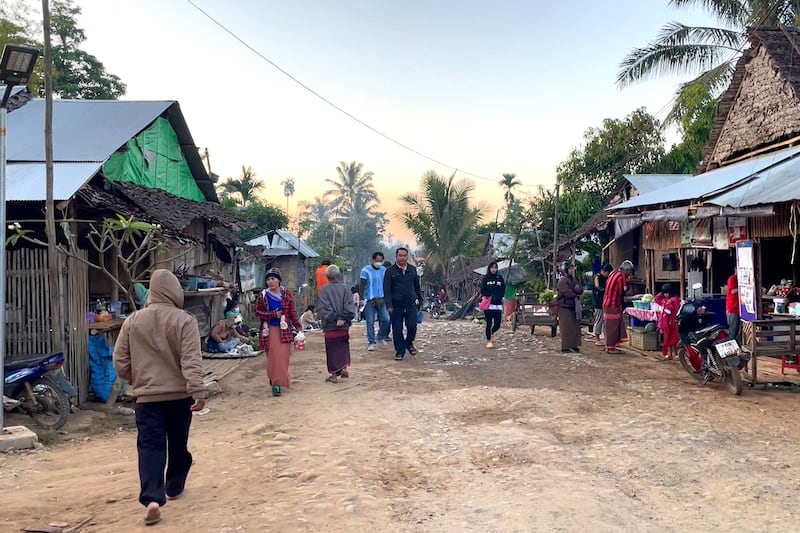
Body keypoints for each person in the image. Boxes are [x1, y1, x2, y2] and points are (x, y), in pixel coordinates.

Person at [113, 269, 207, 526]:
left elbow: (120, 360)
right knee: (178, 442)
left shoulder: (132, 321)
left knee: (151, 447)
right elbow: (191, 360)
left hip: (147, 399)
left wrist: (136, 379)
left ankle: (152, 499)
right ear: (174, 290)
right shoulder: (184, 320)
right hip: (179, 397)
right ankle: (174, 484)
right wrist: (197, 390)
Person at [254, 267, 302, 397]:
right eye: (268, 279)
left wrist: (298, 326)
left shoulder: (286, 294)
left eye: (273, 279)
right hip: (269, 331)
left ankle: (277, 379)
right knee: (273, 357)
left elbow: (291, 312)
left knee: (283, 357)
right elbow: (257, 313)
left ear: (279, 280)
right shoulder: (263, 296)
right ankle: (276, 384)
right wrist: (273, 314)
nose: (270, 282)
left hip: (284, 330)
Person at [384, 247, 423, 361]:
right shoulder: (390, 271)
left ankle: (409, 343)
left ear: (407, 257)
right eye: (400, 255)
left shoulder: (412, 270)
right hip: (396, 305)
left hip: (410, 303)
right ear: (396, 257)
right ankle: (400, 351)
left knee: (412, 326)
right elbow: (387, 289)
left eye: (404, 255)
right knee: (397, 329)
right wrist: (389, 305)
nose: (402, 258)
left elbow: (417, 286)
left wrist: (420, 300)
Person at [319, 265, 357, 383]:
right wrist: (343, 318)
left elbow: (325, 308)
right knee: (343, 346)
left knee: (332, 349)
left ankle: (334, 375)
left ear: (327, 276)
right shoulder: (346, 289)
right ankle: (344, 367)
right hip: (344, 325)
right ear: (338, 275)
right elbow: (349, 307)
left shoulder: (324, 290)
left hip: (330, 325)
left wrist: (335, 319)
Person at [359, 251, 391, 351]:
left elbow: (387, 284)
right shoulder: (365, 271)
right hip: (370, 300)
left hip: (382, 299)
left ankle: (381, 336)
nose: (379, 263)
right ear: (373, 260)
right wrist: (361, 298)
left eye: (381, 261)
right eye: (377, 261)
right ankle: (371, 342)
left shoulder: (384, 270)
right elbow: (362, 285)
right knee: (370, 321)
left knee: (386, 319)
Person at [603, 260, 635, 354]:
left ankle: (610, 345)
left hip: (607, 303)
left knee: (611, 326)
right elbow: (623, 292)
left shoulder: (614, 273)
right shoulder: (621, 277)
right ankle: (610, 347)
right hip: (612, 305)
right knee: (613, 327)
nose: (630, 274)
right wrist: (629, 284)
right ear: (626, 270)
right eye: (629, 271)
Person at [557, 261, 583, 353]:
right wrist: (575, 291)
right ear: (565, 270)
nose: (572, 270)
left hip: (572, 307)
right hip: (564, 307)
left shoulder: (573, 279)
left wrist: (576, 290)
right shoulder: (562, 280)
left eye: (572, 268)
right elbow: (567, 292)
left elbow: (580, 289)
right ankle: (565, 347)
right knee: (566, 328)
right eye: (570, 268)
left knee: (574, 327)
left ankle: (573, 345)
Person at [480, 261, 505, 349]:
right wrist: (489, 295)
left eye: (495, 267)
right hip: (488, 304)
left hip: (497, 304)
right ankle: (489, 341)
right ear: (489, 269)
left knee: (497, 324)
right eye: (492, 267)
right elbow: (482, 289)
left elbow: (503, 289)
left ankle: (492, 333)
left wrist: (499, 296)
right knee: (489, 322)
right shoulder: (486, 278)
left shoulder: (500, 278)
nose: (493, 269)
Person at [655, 283, 681, 361]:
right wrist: (662, 292)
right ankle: (670, 354)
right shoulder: (664, 300)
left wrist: (669, 304)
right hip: (666, 323)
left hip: (673, 323)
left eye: (667, 292)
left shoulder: (675, 300)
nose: (665, 294)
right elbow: (656, 298)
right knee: (667, 339)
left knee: (674, 339)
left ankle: (676, 354)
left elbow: (675, 310)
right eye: (664, 293)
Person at [592, 263, 612, 346]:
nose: (608, 275)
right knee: (599, 320)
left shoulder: (606, 278)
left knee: (605, 322)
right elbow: (599, 288)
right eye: (607, 273)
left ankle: (605, 338)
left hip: (605, 302)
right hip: (598, 303)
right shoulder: (597, 277)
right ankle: (597, 338)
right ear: (603, 271)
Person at [726, 268, 741, 344]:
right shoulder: (732, 279)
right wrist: (743, 288)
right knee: (733, 329)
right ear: (735, 269)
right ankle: (730, 348)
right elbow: (733, 291)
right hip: (732, 308)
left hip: (740, 308)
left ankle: (738, 347)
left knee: (739, 330)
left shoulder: (741, 279)